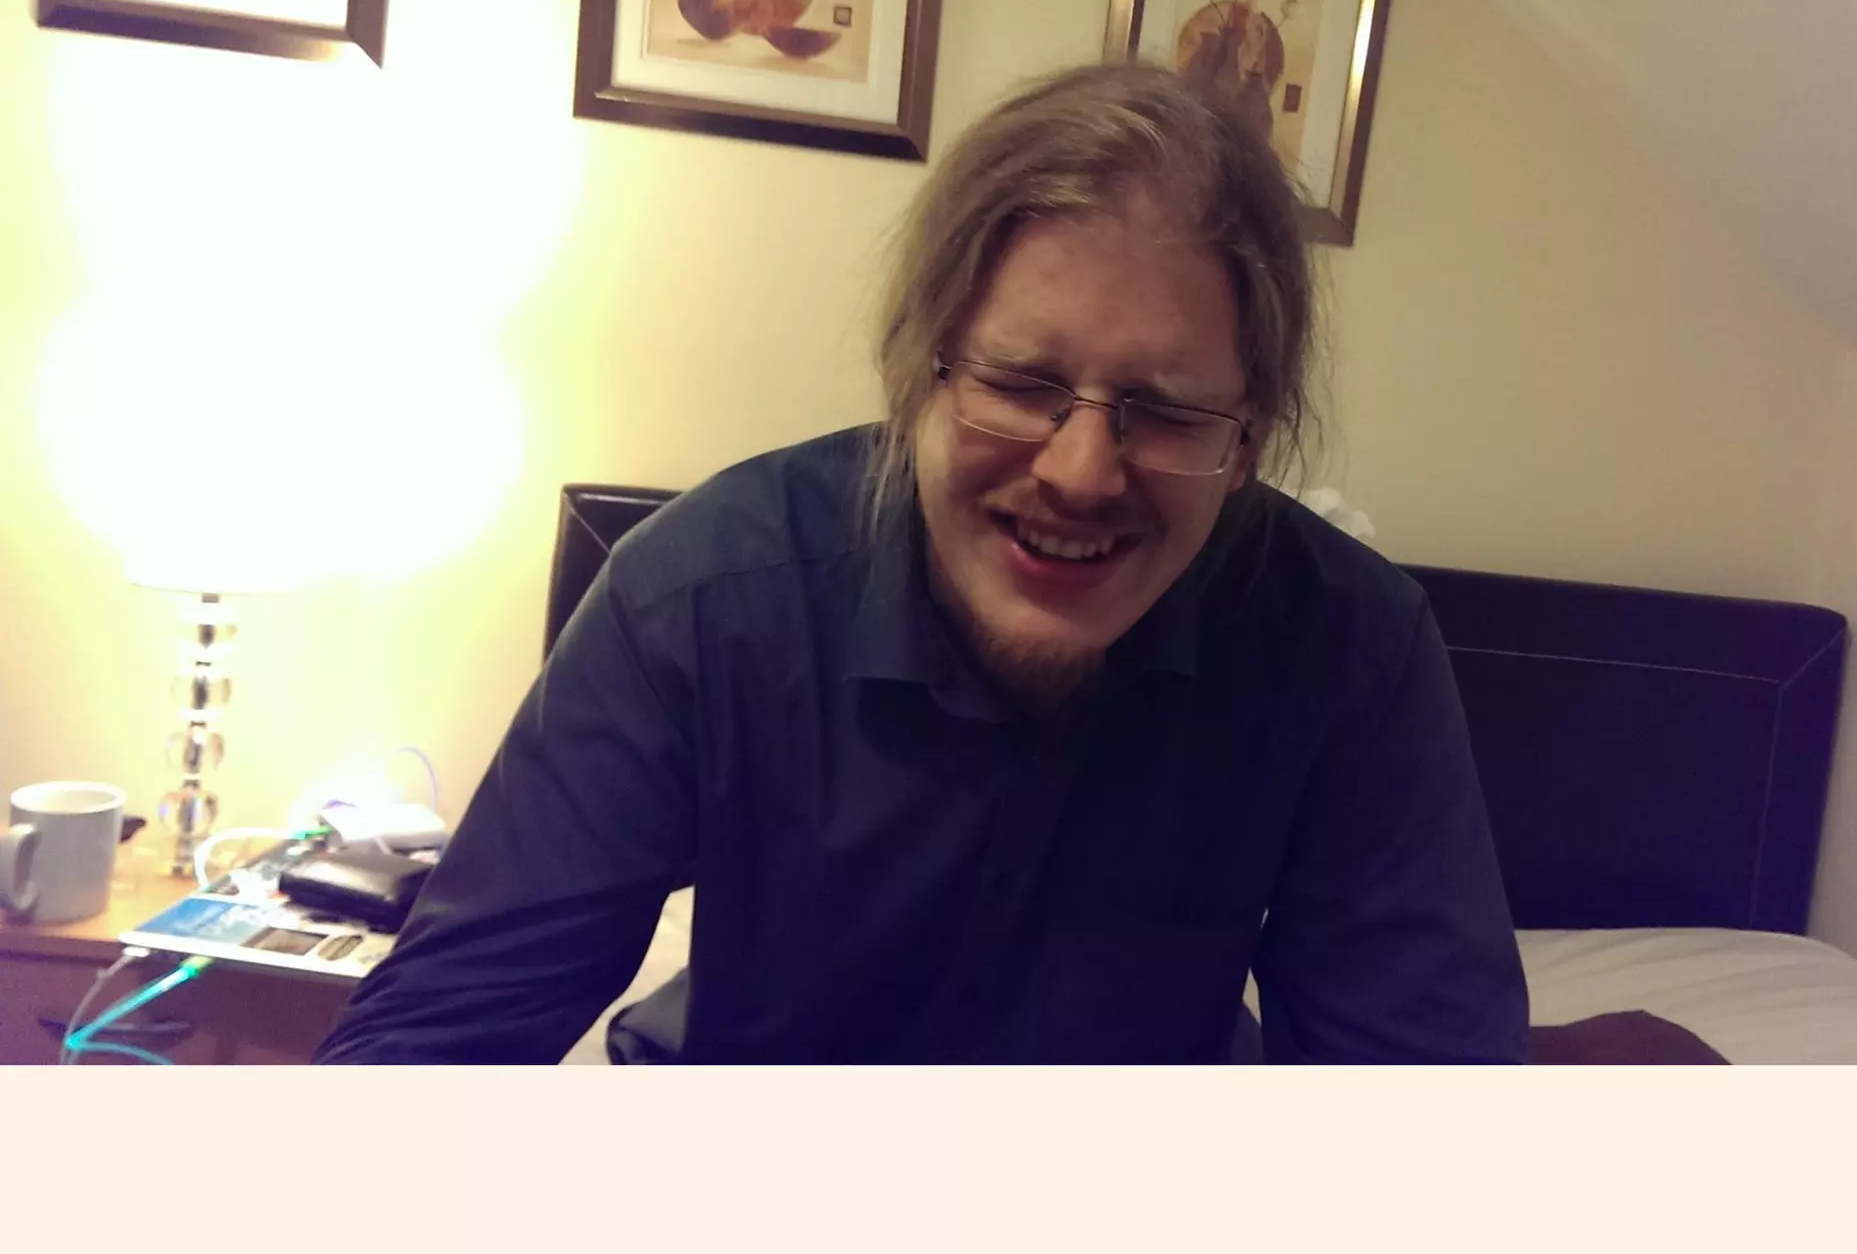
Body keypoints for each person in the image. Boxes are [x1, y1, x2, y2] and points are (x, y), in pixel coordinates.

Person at [314, 62, 1529, 1064]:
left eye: (1163, 410)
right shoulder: (697, 601)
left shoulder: (1349, 650)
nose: (1081, 470)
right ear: (918, 374)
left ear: (1248, 440)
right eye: (1022, 383)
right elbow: (434, 1041)